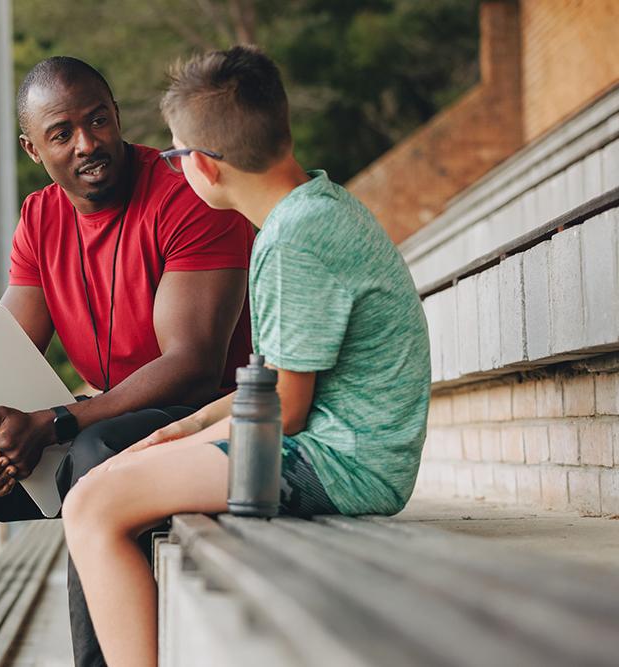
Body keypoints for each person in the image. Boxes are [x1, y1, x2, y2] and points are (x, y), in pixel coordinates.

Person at [0, 56, 255, 667]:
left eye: (98, 120)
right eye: (62, 133)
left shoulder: (186, 193)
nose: (88, 143)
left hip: (206, 429)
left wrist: (55, 421)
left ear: (117, 116)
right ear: (32, 148)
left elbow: (193, 365)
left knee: (101, 458)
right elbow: (3, 363)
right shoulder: (40, 217)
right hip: (100, 424)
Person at [62, 45, 432, 667]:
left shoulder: (295, 240)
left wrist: (155, 454)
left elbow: (283, 412)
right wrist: (176, 432)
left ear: (203, 166)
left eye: (177, 156)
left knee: (91, 506)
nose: (176, 169)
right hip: (335, 449)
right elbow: (272, 390)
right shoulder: (311, 208)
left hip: (342, 465)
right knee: (106, 480)